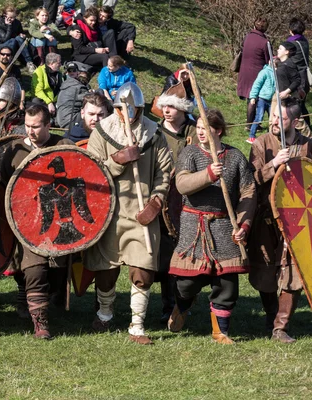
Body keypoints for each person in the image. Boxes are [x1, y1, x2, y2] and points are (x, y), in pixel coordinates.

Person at [85, 82, 172, 345]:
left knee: (142, 270)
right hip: (109, 213)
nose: (129, 113)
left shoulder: (154, 134)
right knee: (106, 271)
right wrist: (117, 161)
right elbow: (91, 172)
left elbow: (164, 173)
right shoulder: (102, 132)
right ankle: (105, 314)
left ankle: (137, 325)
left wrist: (156, 202)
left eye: (135, 109)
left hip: (141, 213)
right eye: (124, 109)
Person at [167, 109, 256, 344]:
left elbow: (248, 192)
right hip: (194, 225)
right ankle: (182, 305)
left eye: (205, 128)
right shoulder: (190, 153)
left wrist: (243, 224)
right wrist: (208, 174)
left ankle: (221, 331)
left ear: (217, 131)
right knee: (186, 284)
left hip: (225, 224)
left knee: (227, 284)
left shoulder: (235, 157)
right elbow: (182, 184)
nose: (200, 132)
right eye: (197, 127)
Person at [0, 103, 75, 339]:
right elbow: (4, 185)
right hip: (26, 223)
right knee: (34, 270)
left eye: (36, 126)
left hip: (59, 221)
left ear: (48, 125)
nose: (30, 131)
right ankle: (40, 324)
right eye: (27, 126)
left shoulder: (63, 147)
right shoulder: (15, 150)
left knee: (56, 273)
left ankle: (36, 297)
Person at [248, 99, 312, 344]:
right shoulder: (261, 144)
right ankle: (271, 316)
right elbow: (250, 181)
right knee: (265, 272)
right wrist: (273, 165)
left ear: (296, 121)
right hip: (266, 219)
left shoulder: (310, 147)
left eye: (281, 118)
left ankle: (281, 326)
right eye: (272, 115)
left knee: (294, 273)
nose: (274, 121)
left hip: (298, 222)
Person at [155, 84, 197, 323]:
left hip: (188, 201)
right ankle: (168, 305)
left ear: (182, 109)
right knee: (165, 256)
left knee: (185, 255)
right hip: (160, 199)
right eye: (164, 106)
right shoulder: (155, 131)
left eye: (172, 106)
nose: (167, 111)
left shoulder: (195, 130)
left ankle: (182, 302)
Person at [236, 17, 270, 132]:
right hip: (257, 73)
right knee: (253, 98)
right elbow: (268, 59)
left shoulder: (247, 37)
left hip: (244, 70)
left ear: (255, 26)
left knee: (250, 98)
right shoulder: (265, 42)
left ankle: (251, 123)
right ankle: (250, 124)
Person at [0, 5, 36, 73]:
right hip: (3, 45)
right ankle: (9, 62)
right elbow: (5, 39)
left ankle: (29, 62)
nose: (12, 19)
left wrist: (22, 35)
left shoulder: (17, 22)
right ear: (5, 15)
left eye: (14, 17)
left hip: (16, 44)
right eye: (10, 17)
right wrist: (9, 26)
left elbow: (20, 32)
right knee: (13, 40)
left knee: (18, 38)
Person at [286, 18, 311, 126]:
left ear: (291, 30)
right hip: (304, 78)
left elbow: (286, 58)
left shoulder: (291, 43)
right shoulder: (304, 41)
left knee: (296, 105)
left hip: (296, 78)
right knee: (301, 104)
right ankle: (306, 128)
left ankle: (307, 132)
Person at [55, 61, 91, 129]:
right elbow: (90, 100)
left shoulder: (65, 85)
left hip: (60, 120)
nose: (72, 72)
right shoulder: (79, 87)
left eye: (74, 70)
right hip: (69, 121)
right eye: (69, 71)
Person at [247, 59, 275, 144]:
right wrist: (253, 97)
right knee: (259, 117)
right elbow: (257, 84)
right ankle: (251, 136)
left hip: (272, 100)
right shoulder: (264, 72)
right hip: (262, 99)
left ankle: (272, 135)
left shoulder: (277, 73)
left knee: (273, 118)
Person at [31, 53, 62, 117]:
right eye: (58, 63)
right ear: (51, 64)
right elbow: (38, 91)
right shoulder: (39, 71)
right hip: (43, 101)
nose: (60, 65)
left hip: (56, 100)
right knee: (36, 101)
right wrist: (49, 103)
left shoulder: (59, 73)